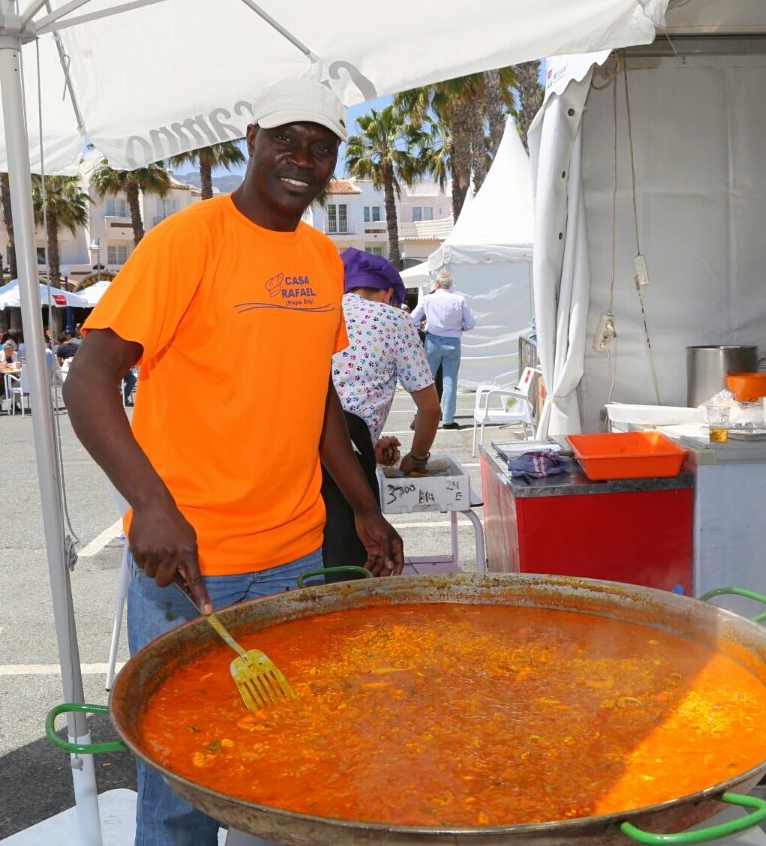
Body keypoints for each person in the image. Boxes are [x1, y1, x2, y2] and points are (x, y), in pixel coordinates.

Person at [62, 78, 403, 846]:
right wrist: (152, 505)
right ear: (251, 138)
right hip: (188, 561)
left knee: (281, 761)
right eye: (288, 139)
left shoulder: (322, 260)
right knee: (182, 774)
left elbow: (315, 398)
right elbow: (88, 378)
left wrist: (362, 506)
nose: (302, 160)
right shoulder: (188, 240)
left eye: (321, 148)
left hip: (294, 556)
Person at [323, 249, 442, 572]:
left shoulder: (320, 310)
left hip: (296, 451)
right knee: (357, 565)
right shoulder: (393, 318)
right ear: (388, 292)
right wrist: (417, 458)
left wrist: (373, 445)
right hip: (349, 456)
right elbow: (430, 409)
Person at [412, 270, 476, 428]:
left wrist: (421, 325)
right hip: (453, 341)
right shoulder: (459, 299)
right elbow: (470, 323)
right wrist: (460, 328)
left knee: (427, 381)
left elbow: (412, 318)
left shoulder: (428, 299)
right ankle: (448, 419)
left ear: (437, 283)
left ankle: (418, 415)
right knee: (450, 382)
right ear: (450, 284)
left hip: (432, 340)